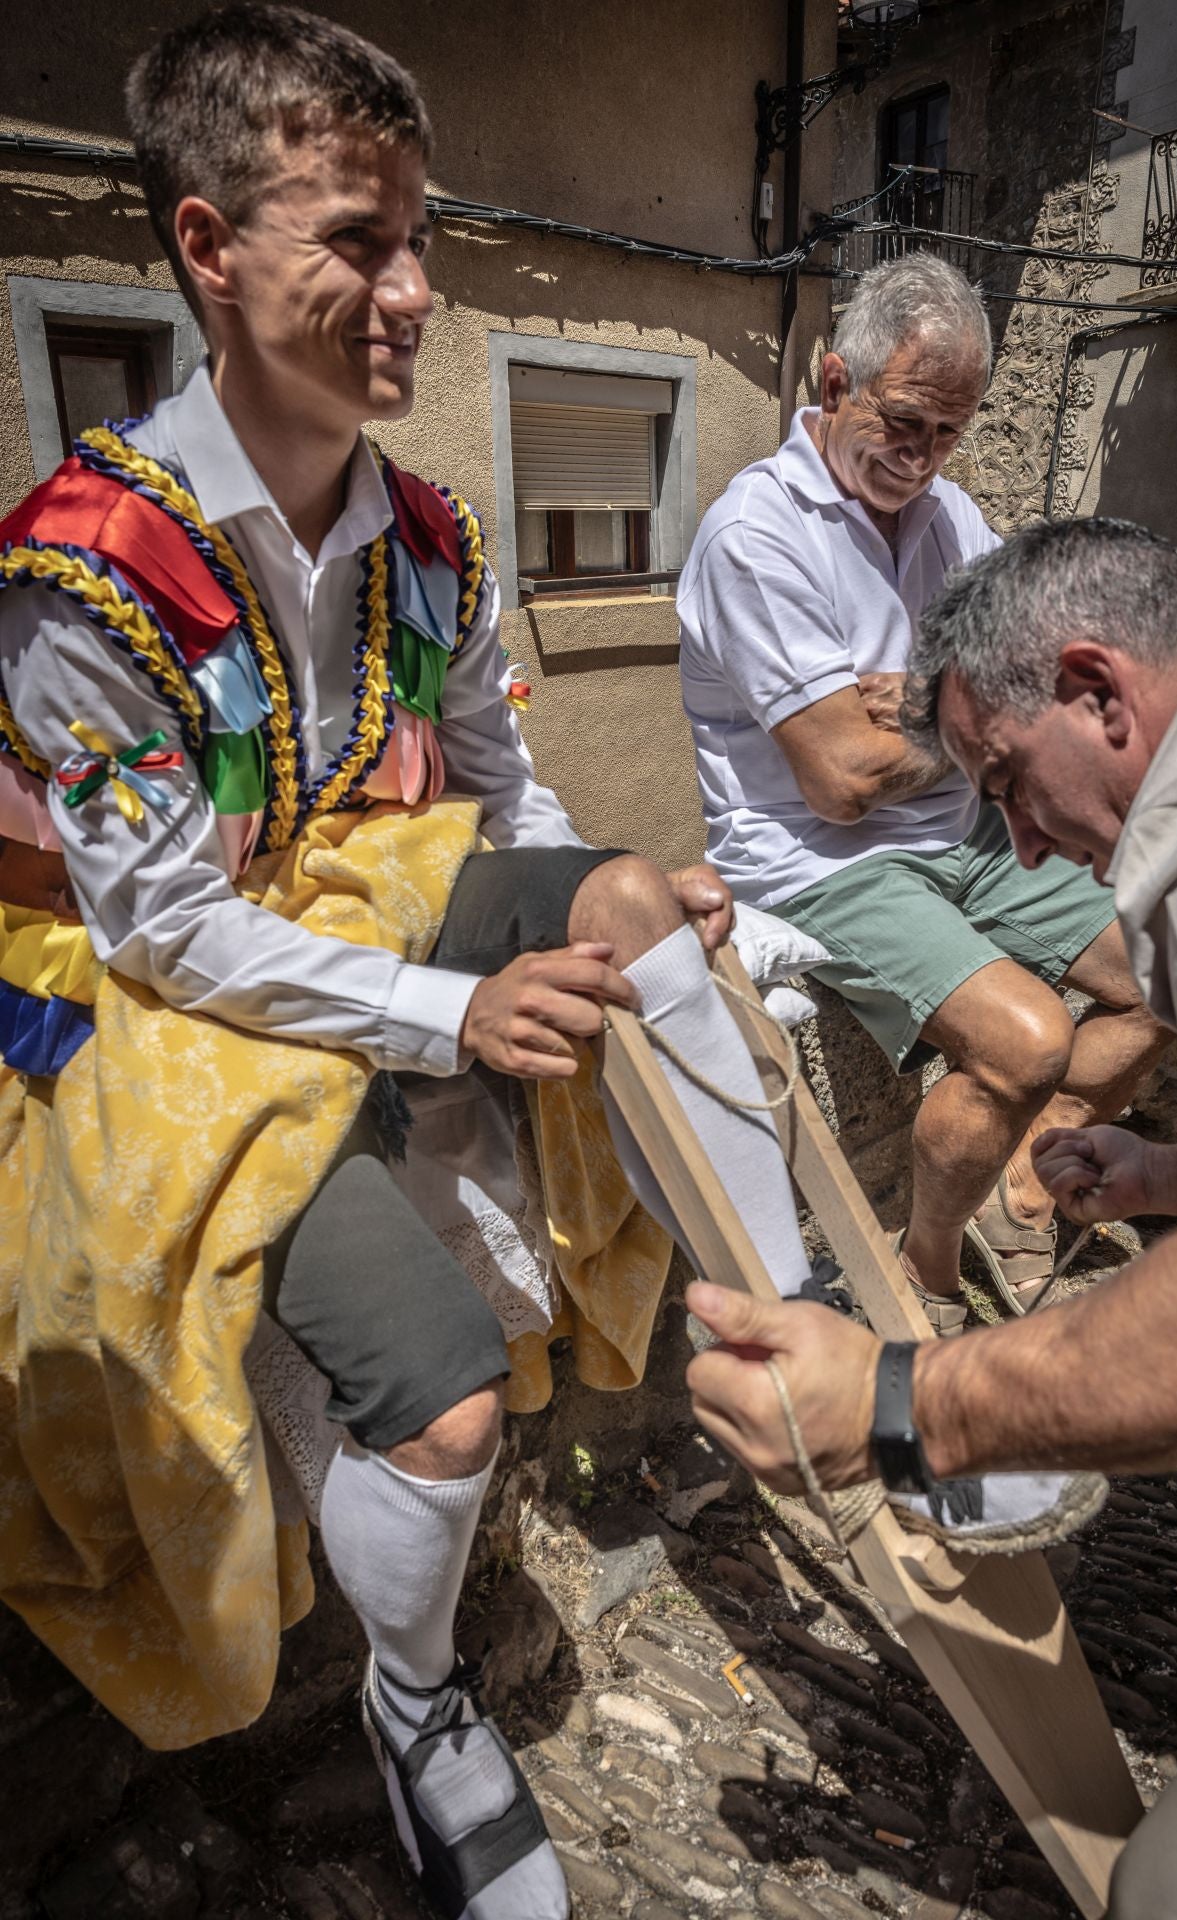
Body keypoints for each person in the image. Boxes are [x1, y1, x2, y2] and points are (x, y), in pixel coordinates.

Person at [0, 10, 823, 1916]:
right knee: (446, 1399)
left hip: (350, 927)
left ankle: (796, 1338)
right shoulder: (80, 567)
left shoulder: (428, 535)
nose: (416, 289)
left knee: (624, 891)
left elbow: (510, 800)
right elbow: (166, 929)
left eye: (418, 237)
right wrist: (459, 1010)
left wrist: (619, 891)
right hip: (163, 1010)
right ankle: (420, 1701)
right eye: (359, 240)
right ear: (208, 249)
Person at [684, 516, 1177, 1920]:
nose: (1017, 837)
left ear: (1097, 688)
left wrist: (901, 1406)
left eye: (1006, 780)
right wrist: (1176, 1178)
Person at [677, 258, 1167, 1332]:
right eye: (902, 421)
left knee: (1166, 970)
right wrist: (968, 714)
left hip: (961, 833)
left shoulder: (949, 517)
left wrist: (926, 711)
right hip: (820, 861)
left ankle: (1025, 1190)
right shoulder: (757, 536)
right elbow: (843, 781)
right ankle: (926, 1263)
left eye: (947, 433)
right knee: (1027, 1040)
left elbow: (1040, 679)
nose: (920, 456)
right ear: (833, 377)